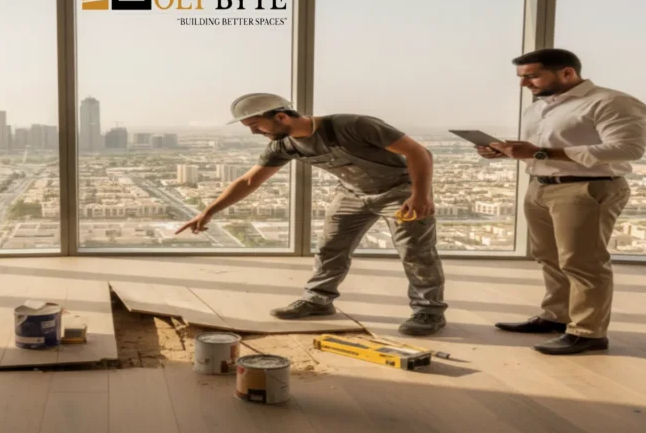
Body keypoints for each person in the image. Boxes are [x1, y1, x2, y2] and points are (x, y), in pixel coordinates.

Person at [175, 92, 448, 336]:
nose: (254, 132)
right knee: (331, 248)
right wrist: (208, 212)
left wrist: (420, 195)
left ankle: (429, 311)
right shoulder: (285, 145)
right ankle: (318, 300)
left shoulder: (351, 125)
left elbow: (419, 153)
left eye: (256, 125)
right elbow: (249, 181)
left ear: (281, 117)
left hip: (401, 192)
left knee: (416, 251)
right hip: (352, 193)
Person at [478, 48, 646, 355]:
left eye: (532, 75)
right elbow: (542, 150)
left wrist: (540, 153)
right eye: (521, 77)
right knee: (549, 257)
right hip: (541, 186)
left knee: (583, 262)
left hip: (586, 189)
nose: (524, 84)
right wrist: (506, 151)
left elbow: (627, 148)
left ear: (567, 72)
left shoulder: (611, 102)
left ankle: (588, 332)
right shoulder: (539, 108)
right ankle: (558, 317)